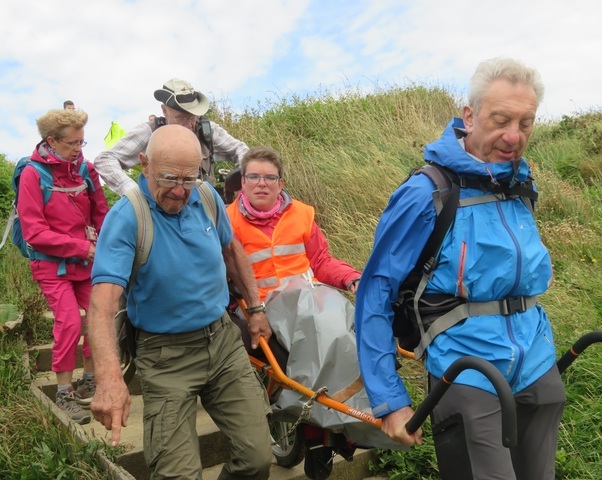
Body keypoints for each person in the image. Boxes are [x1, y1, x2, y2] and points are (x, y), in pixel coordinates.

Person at [355, 57, 566, 480]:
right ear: (469, 115)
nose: (513, 136)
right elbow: (374, 293)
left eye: (526, 123)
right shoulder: (427, 192)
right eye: (501, 119)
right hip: (468, 373)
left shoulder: (520, 185)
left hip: (537, 360)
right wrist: (389, 400)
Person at [87, 125, 272, 479]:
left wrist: (256, 308)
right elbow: (102, 305)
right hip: (165, 357)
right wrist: (109, 378)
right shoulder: (127, 218)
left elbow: (232, 251)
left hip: (223, 345)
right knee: (177, 475)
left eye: (188, 179)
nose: (178, 191)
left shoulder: (204, 197)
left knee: (256, 459)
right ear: (143, 164)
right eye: (169, 178)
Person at [226, 146, 361, 479]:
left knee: (346, 334)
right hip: (258, 308)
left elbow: (322, 262)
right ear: (242, 182)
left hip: (309, 300)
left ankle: (346, 420)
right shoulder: (225, 219)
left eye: (269, 177)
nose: (262, 183)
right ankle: (318, 436)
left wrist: (352, 277)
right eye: (253, 176)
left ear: (280, 181)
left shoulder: (302, 214)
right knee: (305, 349)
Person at [17, 109, 109, 424]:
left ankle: (90, 379)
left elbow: (100, 211)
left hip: (86, 261)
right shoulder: (33, 174)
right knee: (69, 323)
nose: (79, 149)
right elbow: (35, 232)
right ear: (51, 141)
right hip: (51, 265)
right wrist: (83, 247)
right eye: (72, 143)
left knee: (101, 318)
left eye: (83, 141)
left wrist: (108, 244)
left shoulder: (86, 169)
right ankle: (64, 393)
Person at [94, 78, 249, 196]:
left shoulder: (207, 130)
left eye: (192, 118)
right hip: (163, 217)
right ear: (165, 111)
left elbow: (240, 149)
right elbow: (105, 159)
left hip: (205, 214)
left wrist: (244, 179)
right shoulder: (150, 131)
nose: (189, 125)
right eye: (181, 118)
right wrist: (134, 193)